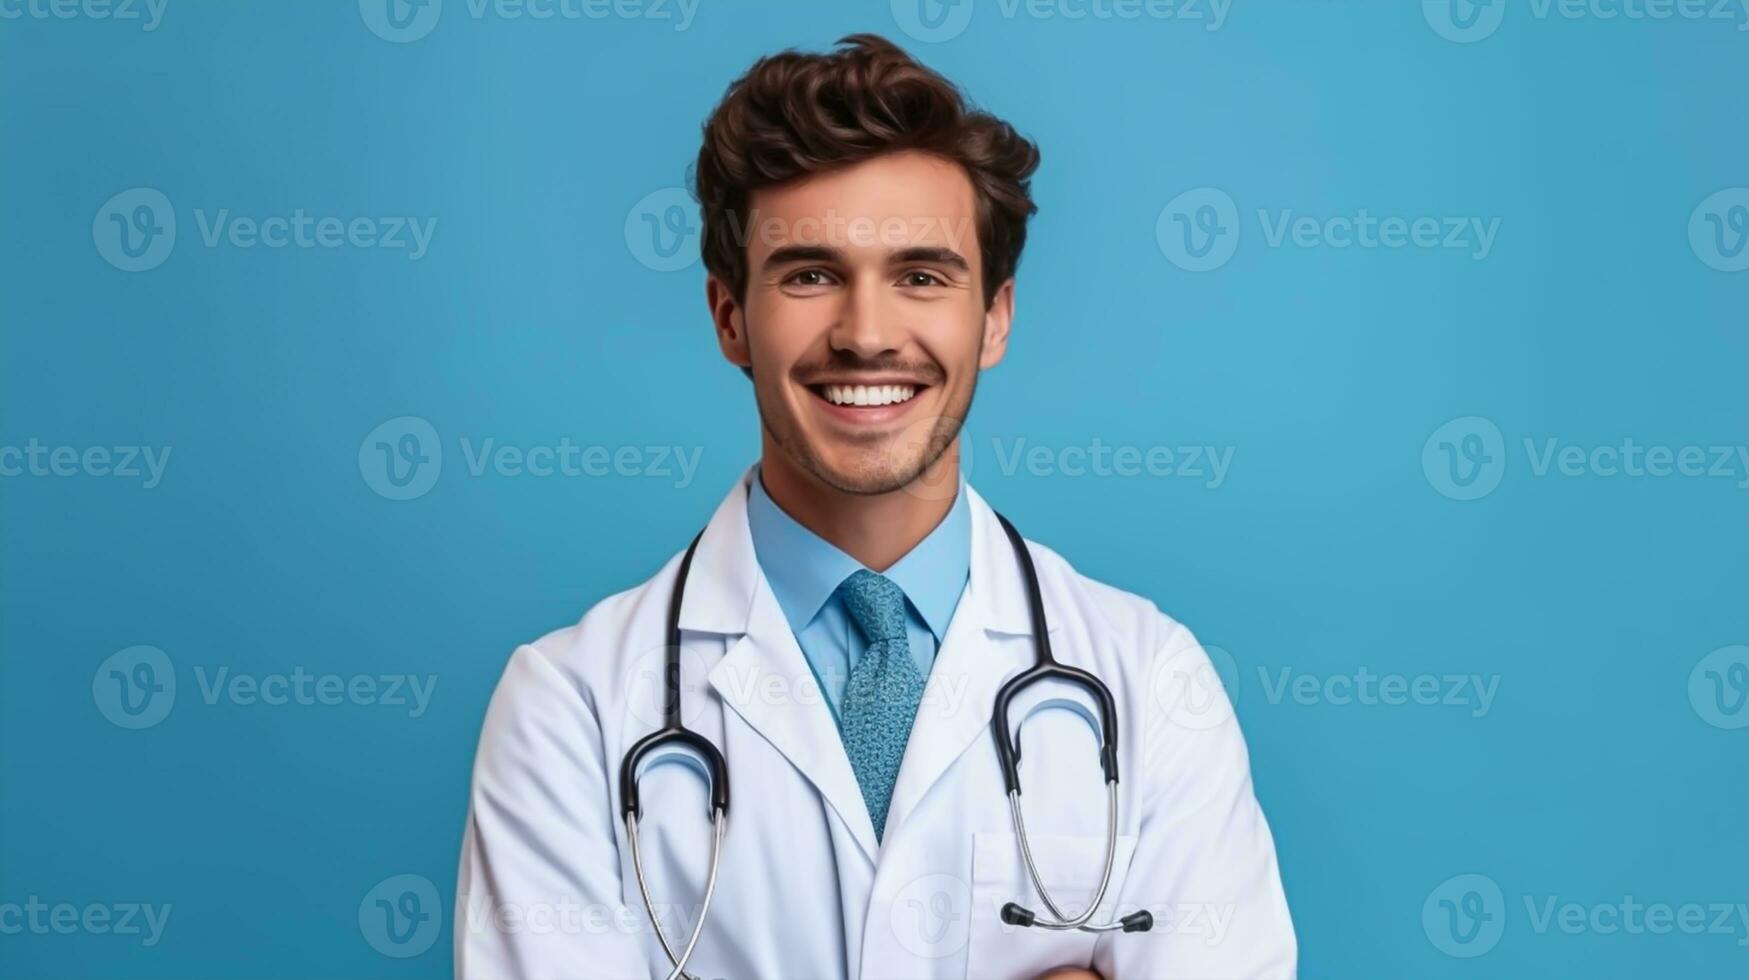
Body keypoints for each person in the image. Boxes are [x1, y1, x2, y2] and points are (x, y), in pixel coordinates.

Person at [455, 33, 1296, 979]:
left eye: (921, 276)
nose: (864, 335)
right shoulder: (570, 710)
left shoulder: (1150, 682)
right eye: (809, 274)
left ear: (995, 318)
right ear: (730, 316)